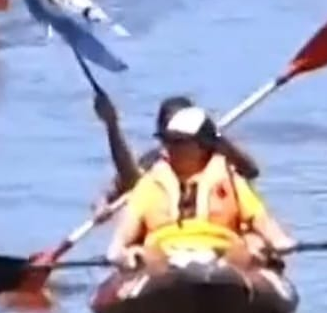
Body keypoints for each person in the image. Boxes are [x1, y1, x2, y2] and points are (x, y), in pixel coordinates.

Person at [106, 104, 295, 272]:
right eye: (168, 140)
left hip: (221, 252)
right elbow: (125, 231)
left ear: (203, 146)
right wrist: (120, 252)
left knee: (252, 244)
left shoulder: (230, 178)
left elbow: (261, 218)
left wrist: (278, 241)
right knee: (141, 253)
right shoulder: (150, 181)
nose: (170, 147)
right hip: (163, 255)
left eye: (179, 142)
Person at [94, 90, 260, 199]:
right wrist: (112, 125)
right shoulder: (154, 161)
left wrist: (215, 137)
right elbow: (129, 183)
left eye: (182, 139)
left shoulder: (217, 153)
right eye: (170, 138)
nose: (175, 148)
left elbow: (251, 171)